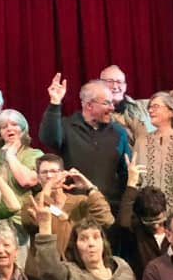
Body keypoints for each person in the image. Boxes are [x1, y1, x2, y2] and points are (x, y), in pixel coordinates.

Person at [40, 76, 131, 207]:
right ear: (89, 105)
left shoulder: (119, 132)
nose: (112, 108)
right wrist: (55, 102)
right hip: (74, 208)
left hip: (108, 208)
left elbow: (125, 172)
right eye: (106, 103)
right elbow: (49, 139)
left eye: (112, 103)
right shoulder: (67, 127)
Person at [19, 154, 113, 256]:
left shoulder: (79, 202)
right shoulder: (31, 202)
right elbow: (30, 222)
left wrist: (90, 187)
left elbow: (106, 220)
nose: (49, 176)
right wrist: (48, 188)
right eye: (44, 172)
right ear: (38, 178)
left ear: (64, 175)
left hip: (75, 261)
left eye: (53, 171)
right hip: (43, 262)